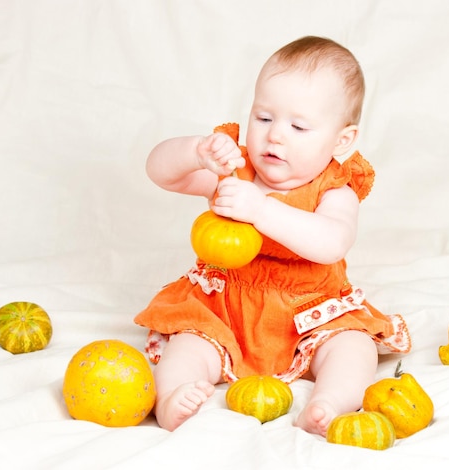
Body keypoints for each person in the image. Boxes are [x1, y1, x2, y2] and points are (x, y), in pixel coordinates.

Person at [134, 36, 411, 437]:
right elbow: (160, 172)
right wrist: (195, 152)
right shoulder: (235, 170)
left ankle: (328, 403)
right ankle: (173, 397)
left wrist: (261, 210)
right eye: (263, 118)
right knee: (190, 345)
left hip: (310, 312)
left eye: (298, 126)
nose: (275, 136)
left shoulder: (335, 189)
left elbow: (332, 241)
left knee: (354, 346)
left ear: (342, 141)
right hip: (225, 308)